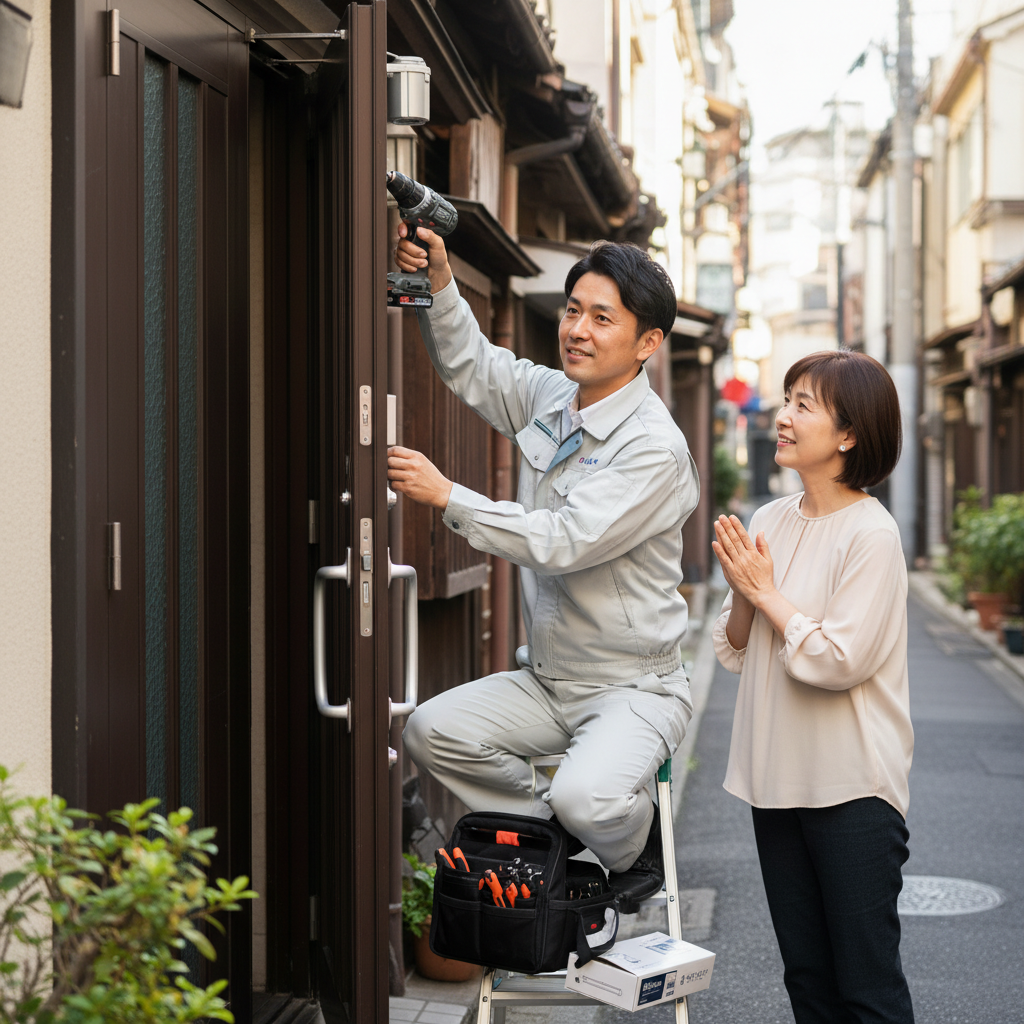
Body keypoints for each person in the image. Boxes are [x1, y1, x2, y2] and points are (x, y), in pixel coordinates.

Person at [388, 224, 699, 909]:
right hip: (550, 680)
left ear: (648, 342)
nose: (578, 329)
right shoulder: (555, 399)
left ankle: (633, 839)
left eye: (602, 317)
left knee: (589, 794)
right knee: (430, 731)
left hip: (634, 688)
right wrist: (438, 281)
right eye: (573, 310)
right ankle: (556, 833)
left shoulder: (654, 449)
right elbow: (475, 364)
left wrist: (449, 496)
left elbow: (565, 538)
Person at [711, 349, 915, 1023]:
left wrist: (766, 593)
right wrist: (745, 593)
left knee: (867, 989)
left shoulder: (872, 534)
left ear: (850, 434)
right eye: (787, 399)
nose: (785, 416)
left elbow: (838, 661)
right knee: (808, 981)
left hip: (853, 788)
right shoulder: (770, 519)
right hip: (778, 784)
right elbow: (735, 649)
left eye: (804, 404)